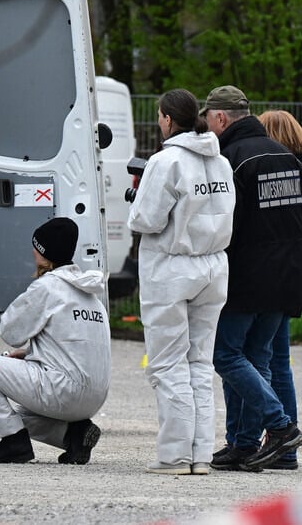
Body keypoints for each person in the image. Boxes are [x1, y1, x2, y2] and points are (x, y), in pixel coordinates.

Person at [202, 86, 302, 472]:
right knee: (258, 359)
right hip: (286, 278)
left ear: (221, 118)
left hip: (247, 276)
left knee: (226, 355)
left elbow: (225, 225)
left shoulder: (230, 159)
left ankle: (279, 427)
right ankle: (244, 444)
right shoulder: (288, 157)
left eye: (209, 119)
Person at [127, 89, 235, 475]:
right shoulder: (220, 161)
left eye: (160, 116)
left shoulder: (165, 160)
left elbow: (147, 221)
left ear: (168, 120)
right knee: (199, 364)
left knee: (168, 365)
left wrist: (135, 201)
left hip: (172, 268)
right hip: (214, 266)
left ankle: (174, 455)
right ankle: (201, 454)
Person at [0, 218, 111, 464]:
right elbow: (74, 343)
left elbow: (10, 332)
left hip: (63, 391)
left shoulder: (48, 287)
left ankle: (13, 443)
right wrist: (31, 352)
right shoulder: (91, 295)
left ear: (44, 252)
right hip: (93, 397)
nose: (32, 251)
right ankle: (74, 436)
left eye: (36, 247)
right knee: (18, 416)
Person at [257, 109, 302, 470]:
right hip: (294, 276)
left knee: (264, 359)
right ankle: (288, 448)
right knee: (281, 361)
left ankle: (278, 437)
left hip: (269, 278)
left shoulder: (276, 173)